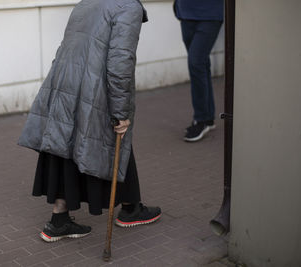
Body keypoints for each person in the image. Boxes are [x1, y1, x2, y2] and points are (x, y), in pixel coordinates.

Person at [18, 0, 161, 242]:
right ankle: (130, 209)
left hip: (65, 80)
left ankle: (60, 219)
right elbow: (120, 63)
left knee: (66, 146)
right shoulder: (128, 7)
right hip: (93, 87)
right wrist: (121, 111)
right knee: (115, 135)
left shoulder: (87, 2)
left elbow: (66, 46)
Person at [174, 0, 224, 142]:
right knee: (201, 64)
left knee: (195, 62)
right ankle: (208, 118)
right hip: (186, 12)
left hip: (210, 14)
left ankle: (200, 119)